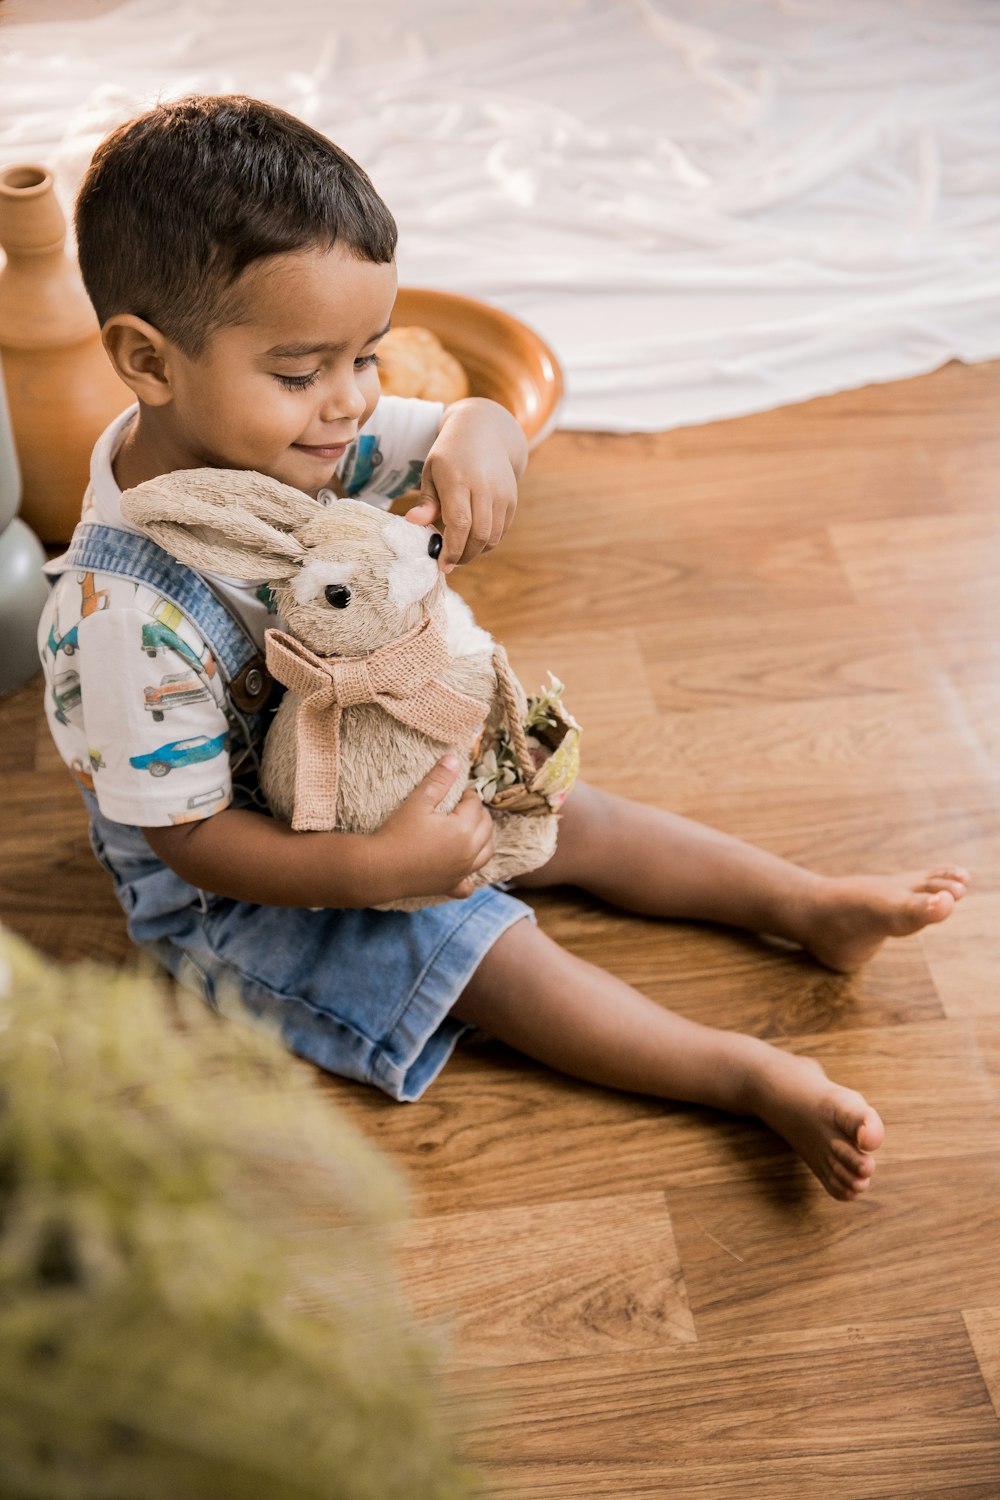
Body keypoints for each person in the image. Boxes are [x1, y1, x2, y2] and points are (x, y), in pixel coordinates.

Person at [38, 95, 968, 1203]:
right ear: (148, 361)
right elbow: (191, 841)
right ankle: (747, 1075)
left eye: (368, 358)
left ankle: (801, 905)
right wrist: (377, 873)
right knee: (479, 947)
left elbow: (447, 428)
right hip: (247, 881)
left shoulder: (299, 433)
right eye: (301, 372)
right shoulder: (118, 612)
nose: (349, 406)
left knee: (560, 806)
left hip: (368, 761)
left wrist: (479, 424)